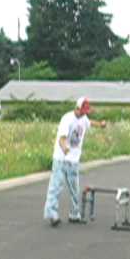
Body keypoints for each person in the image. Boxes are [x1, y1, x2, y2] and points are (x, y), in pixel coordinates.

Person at [44, 97, 106, 227]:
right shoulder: (67, 119)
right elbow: (62, 138)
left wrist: (100, 124)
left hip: (74, 160)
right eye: (83, 110)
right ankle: (52, 215)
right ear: (77, 108)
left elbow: (90, 123)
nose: (85, 113)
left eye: (86, 111)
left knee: (75, 188)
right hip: (61, 158)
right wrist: (65, 148)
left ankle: (74, 214)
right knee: (56, 187)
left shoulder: (84, 119)